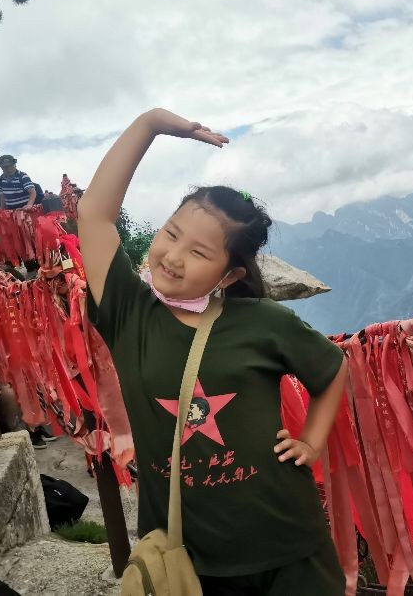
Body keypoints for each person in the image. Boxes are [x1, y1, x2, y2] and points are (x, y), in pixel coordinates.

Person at [77, 108, 348, 595]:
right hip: (188, 557)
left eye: (200, 253)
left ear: (230, 275)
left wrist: (313, 442)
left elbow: (331, 370)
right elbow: (93, 213)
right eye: (171, 234)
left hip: (289, 546)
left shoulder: (264, 322)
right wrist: (152, 124)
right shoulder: (126, 311)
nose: (173, 257)